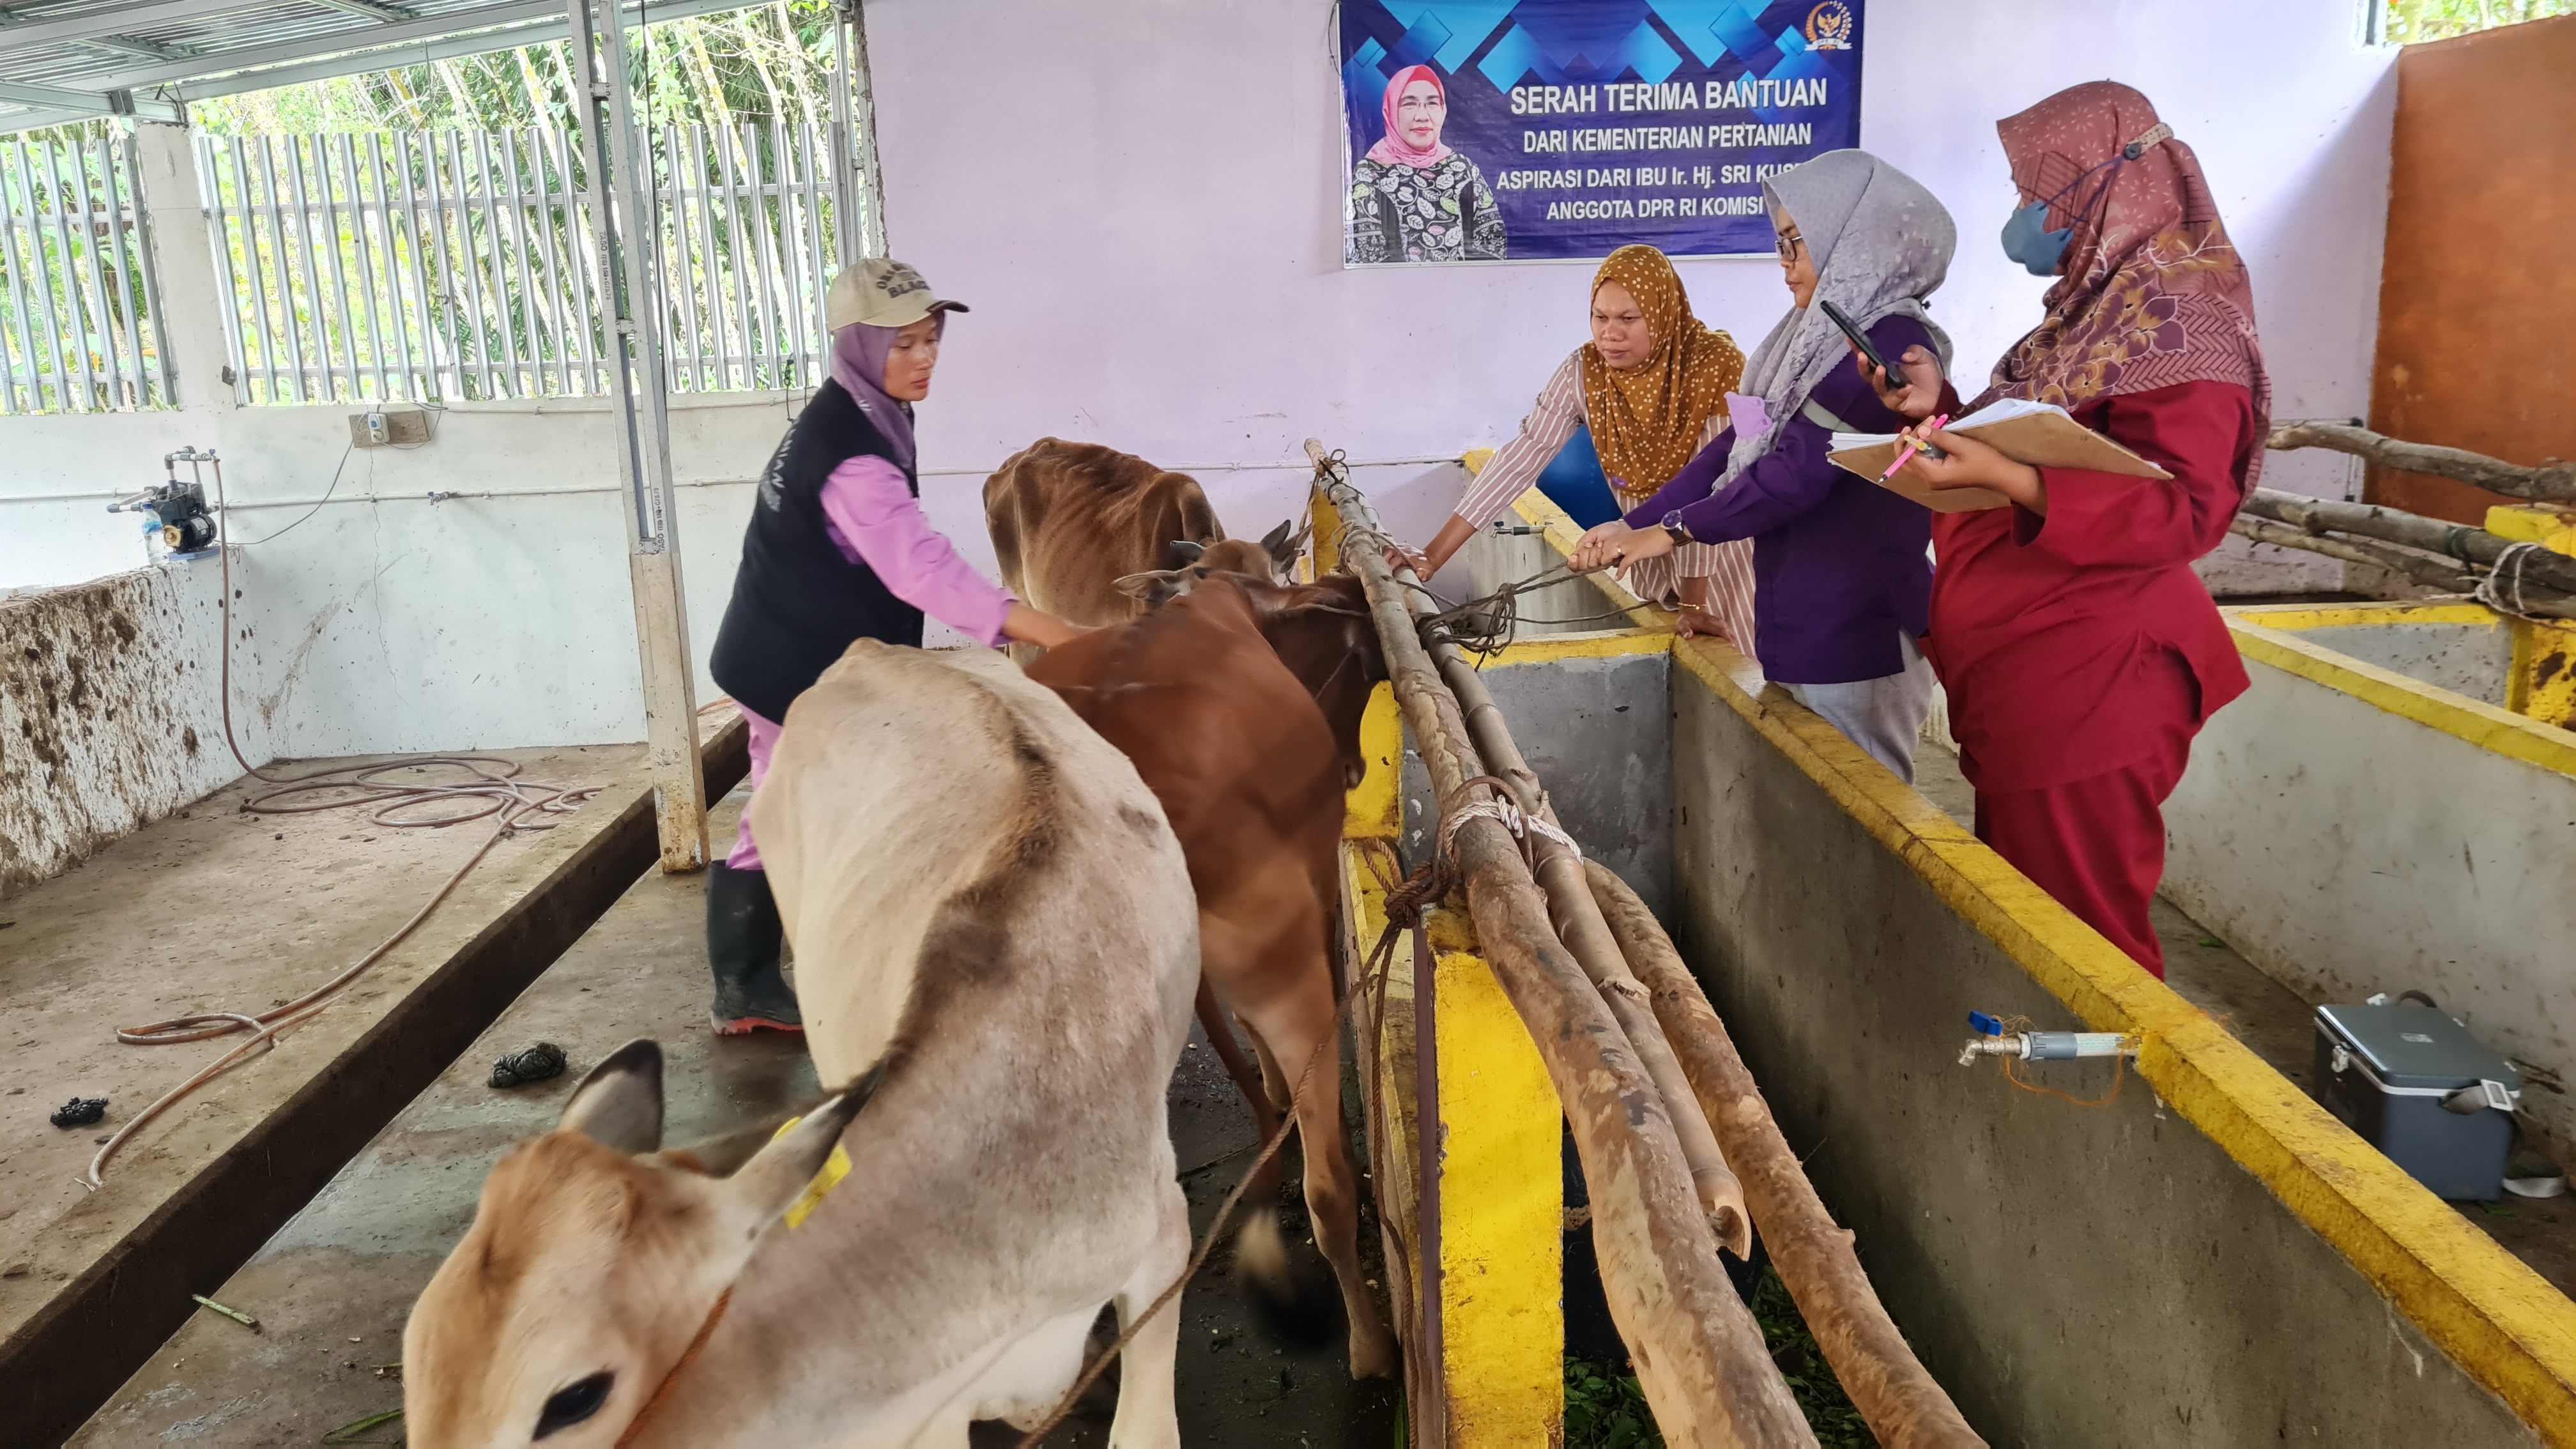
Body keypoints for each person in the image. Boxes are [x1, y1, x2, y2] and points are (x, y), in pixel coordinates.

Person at [1868, 82, 2267, 976]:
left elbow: (2187, 510)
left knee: (2083, 951)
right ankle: (2041, 1099)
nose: (2021, 216)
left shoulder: (2180, 320)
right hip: (2033, 671)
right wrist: (1948, 410)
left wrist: (2004, 475)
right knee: (2030, 928)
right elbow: (2063, 442)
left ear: (2105, 182)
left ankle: (2094, 1110)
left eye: (2034, 192)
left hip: (2096, 682)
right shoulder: (2098, 307)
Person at [702, 259, 1083, 1033]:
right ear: (860, 347)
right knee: (784, 811)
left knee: (789, 806)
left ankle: (759, 977)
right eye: (905, 343)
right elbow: (922, 568)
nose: (926, 358)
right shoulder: (849, 452)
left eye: (932, 339)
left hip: (794, 646)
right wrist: (1048, 627)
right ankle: (751, 985)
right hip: (789, 664)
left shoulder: (866, 410)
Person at [1568, 151, 1952, 783]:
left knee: (1868, 837)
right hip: (1799, 625)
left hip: (1857, 634)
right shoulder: (1801, 343)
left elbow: (1795, 474)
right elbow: (1738, 446)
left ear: (1850, 241)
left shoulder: (1887, 345)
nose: (1784, 261)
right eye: (1778, 243)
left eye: (1796, 242)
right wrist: (1636, 523)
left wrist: (1670, 531)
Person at [1397, 245, 1755, 656]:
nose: (1609, 333)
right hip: (1645, 555)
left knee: (1742, 664)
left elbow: (1711, 484)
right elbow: (1521, 457)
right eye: (1599, 317)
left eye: (1628, 319)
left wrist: (1694, 602)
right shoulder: (1586, 371)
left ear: (1663, 313)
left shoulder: (1719, 366)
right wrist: (1432, 555)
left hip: (1725, 562)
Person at [1347, 64, 1507, 263]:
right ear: (1391, 110)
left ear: (1443, 110)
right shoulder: (1370, 174)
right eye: (1409, 104)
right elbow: (1366, 255)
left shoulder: (1463, 170)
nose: (1422, 116)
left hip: (1464, 290)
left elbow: (1493, 244)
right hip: (1393, 292)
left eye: (1432, 104)